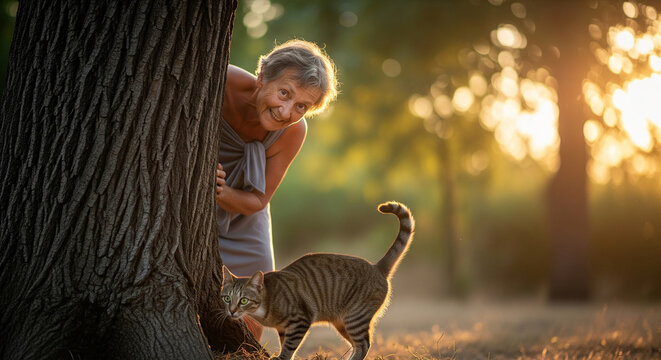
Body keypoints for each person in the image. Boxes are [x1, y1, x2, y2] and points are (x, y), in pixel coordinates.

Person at [215, 40, 338, 339]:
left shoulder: (294, 132)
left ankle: (240, 354)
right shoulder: (222, 81)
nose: (285, 111)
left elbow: (259, 198)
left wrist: (217, 191)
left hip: (244, 215)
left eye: (301, 106)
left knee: (257, 300)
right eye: (284, 93)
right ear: (262, 76)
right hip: (184, 204)